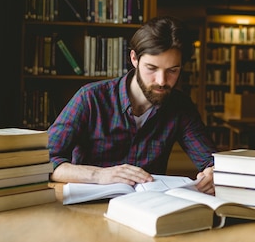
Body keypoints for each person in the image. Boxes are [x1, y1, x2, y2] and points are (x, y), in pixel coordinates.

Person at [48, 16, 217, 194]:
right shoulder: (90, 98)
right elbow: (44, 161)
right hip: (90, 206)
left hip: (148, 210)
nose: (162, 81)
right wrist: (99, 175)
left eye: (172, 70)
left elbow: (210, 161)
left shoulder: (180, 106)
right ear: (134, 58)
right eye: (151, 68)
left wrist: (213, 173)